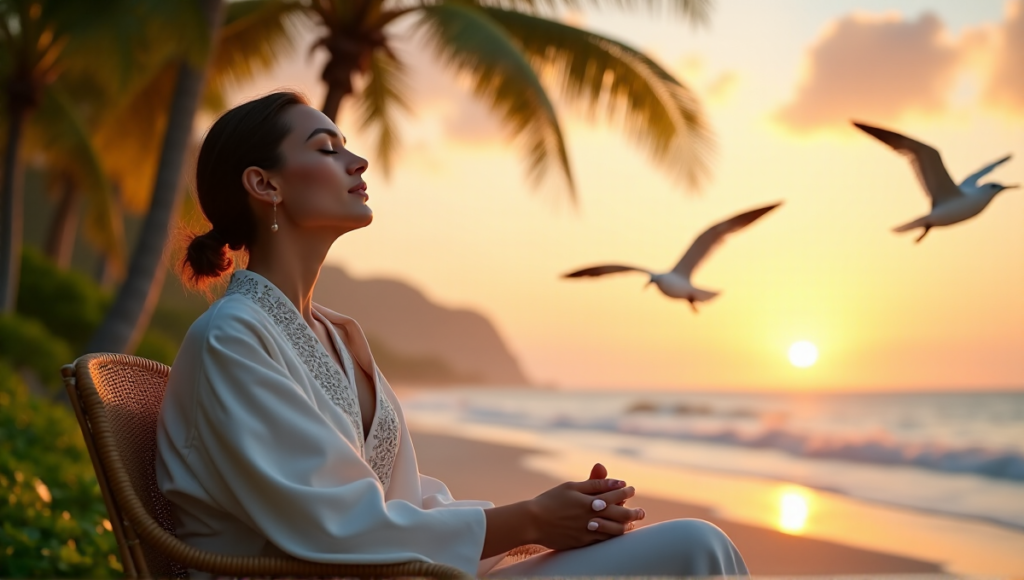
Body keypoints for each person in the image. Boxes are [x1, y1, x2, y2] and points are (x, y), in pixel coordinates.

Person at [155, 91, 748, 578]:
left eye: (348, 146)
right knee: (696, 549)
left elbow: (404, 501)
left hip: (400, 571)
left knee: (693, 548)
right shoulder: (233, 338)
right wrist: (531, 522)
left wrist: (551, 516)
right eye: (326, 149)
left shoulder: (335, 334)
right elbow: (328, 522)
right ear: (265, 185)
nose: (357, 162)